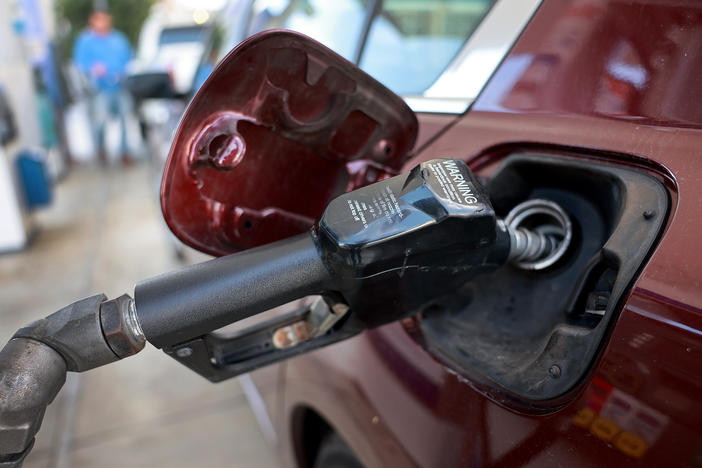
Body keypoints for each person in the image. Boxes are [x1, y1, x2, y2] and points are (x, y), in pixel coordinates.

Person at [73, 10, 133, 165]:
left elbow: (129, 59)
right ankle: (101, 150)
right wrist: (93, 69)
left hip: (119, 86)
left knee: (124, 119)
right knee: (100, 121)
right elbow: (80, 63)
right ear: (92, 22)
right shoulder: (85, 41)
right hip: (99, 89)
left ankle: (124, 152)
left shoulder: (118, 39)